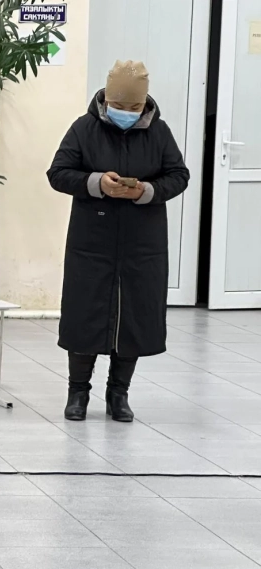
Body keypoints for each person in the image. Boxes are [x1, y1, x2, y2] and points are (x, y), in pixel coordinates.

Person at [47, 60, 190, 423]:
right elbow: (59, 173)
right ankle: (77, 392)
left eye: (134, 107)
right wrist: (97, 183)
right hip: (91, 241)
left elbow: (179, 175)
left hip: (143, 244)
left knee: (135, 317)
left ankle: (118, 394)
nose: (127, 113)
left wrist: (146, 191)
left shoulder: (159, 133)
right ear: (106, 99)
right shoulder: (84, 129)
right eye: (120, 106)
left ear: (145, 104)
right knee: (85, 315)